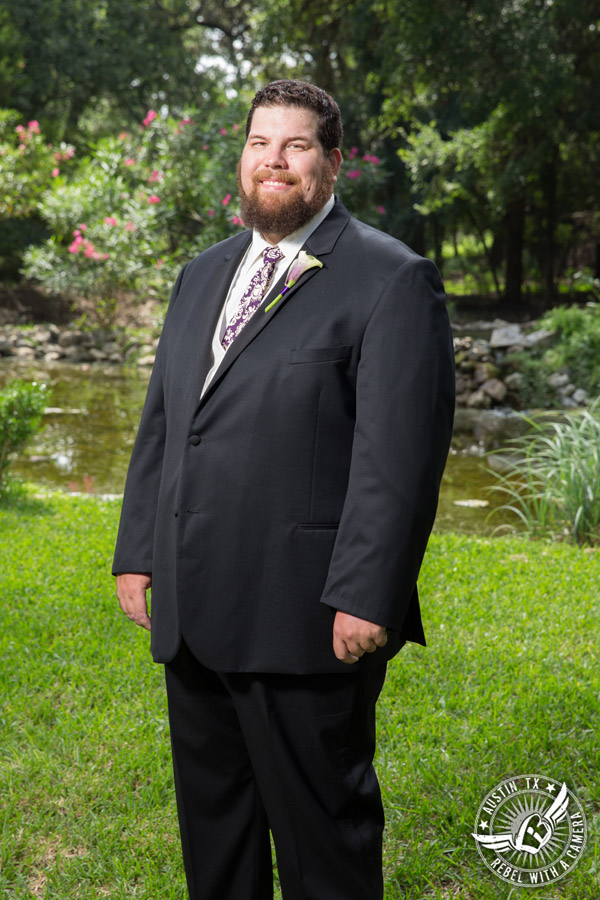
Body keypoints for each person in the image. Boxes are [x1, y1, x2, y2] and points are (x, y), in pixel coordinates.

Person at [114, 79, 455, 900]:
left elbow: (399, 457)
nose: (275, 161)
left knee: (322, 841)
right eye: (260, 142)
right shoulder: (203, 274)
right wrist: (138, 551)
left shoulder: (390, 277)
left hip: (303, 615)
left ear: (332, 163)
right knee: (216, 835)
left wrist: (369, 594)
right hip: (195, 607)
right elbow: (167, 421)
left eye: (297, 145)